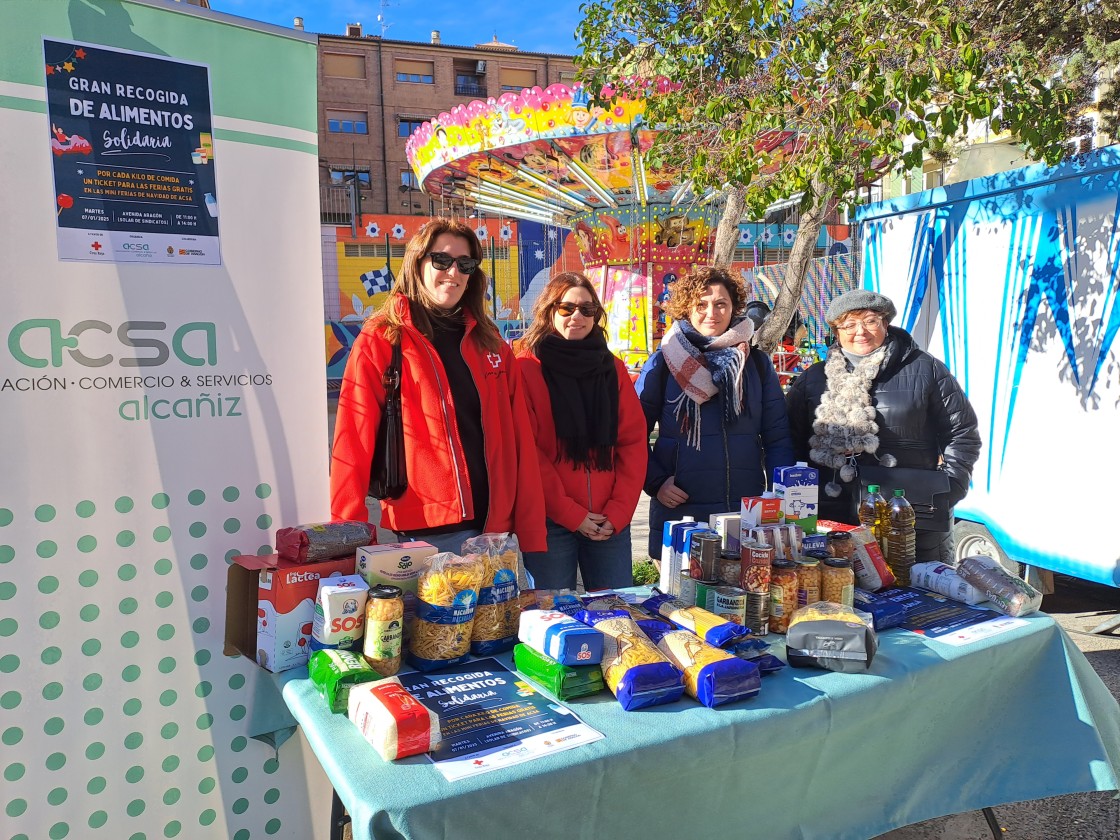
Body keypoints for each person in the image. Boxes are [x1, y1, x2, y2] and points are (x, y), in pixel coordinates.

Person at [330, 218, 547, 554]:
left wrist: (529, 529)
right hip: (427, 532)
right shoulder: (383, 338)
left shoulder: (492, 345)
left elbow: (521, 444)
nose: (454, 272)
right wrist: (347, 537)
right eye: (442, 260)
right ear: (417, 263)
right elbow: (352, 443)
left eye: (465, 264)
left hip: (495, 529)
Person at [785, 289, 981, 562]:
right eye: (849, 324)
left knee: (916, 596)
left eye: (870, 321)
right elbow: (790, 441)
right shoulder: (813, 379)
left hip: (911, 514)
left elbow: (962, 432)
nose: (860, 331)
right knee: (838, 597)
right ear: (836, 331)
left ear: (885, 324)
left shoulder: (926, 369)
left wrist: (949, 488)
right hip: (834, 519)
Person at [636, 265, 795, 559]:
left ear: (733, 307)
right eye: (701, 304)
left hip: (745, 509)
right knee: (682, 602)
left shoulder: (756, 365)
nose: (712, 313)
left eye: (721, 304)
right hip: (681, 509)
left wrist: (779, 495)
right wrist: (656, 482)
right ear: (686, 308)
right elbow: (630, 434)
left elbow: (777, 437)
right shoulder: (663, 363)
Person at [516, 273, 647, 590]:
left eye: (587, 310)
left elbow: (632, 442)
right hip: (550, 520)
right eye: (567, 308)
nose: (578, 316)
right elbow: (529, 452)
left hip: (608, 520)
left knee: (615, 615)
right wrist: (571, 514)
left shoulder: (611, 368)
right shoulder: (525, 367)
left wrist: (618, 512)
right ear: (549, 310)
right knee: (553, 618)